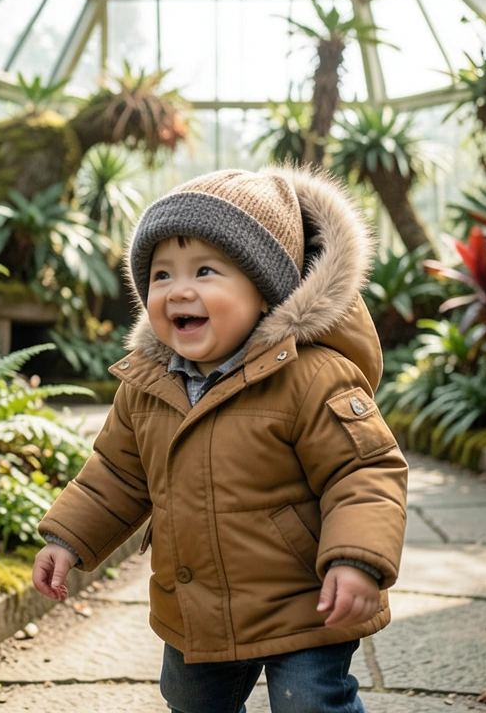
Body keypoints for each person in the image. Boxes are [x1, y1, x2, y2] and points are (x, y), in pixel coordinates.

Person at [31, 166, 409, 713]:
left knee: (310, 702)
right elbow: (114, 475)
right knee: (188, 701)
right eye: (161, 275)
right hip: (196, 604)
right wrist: (66, 540)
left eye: (205, 270)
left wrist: (356, 559)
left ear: (265, 291)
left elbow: (364, 472)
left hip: (306, 599)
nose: (179, 289)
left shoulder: (312, 376)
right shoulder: (148, 384)